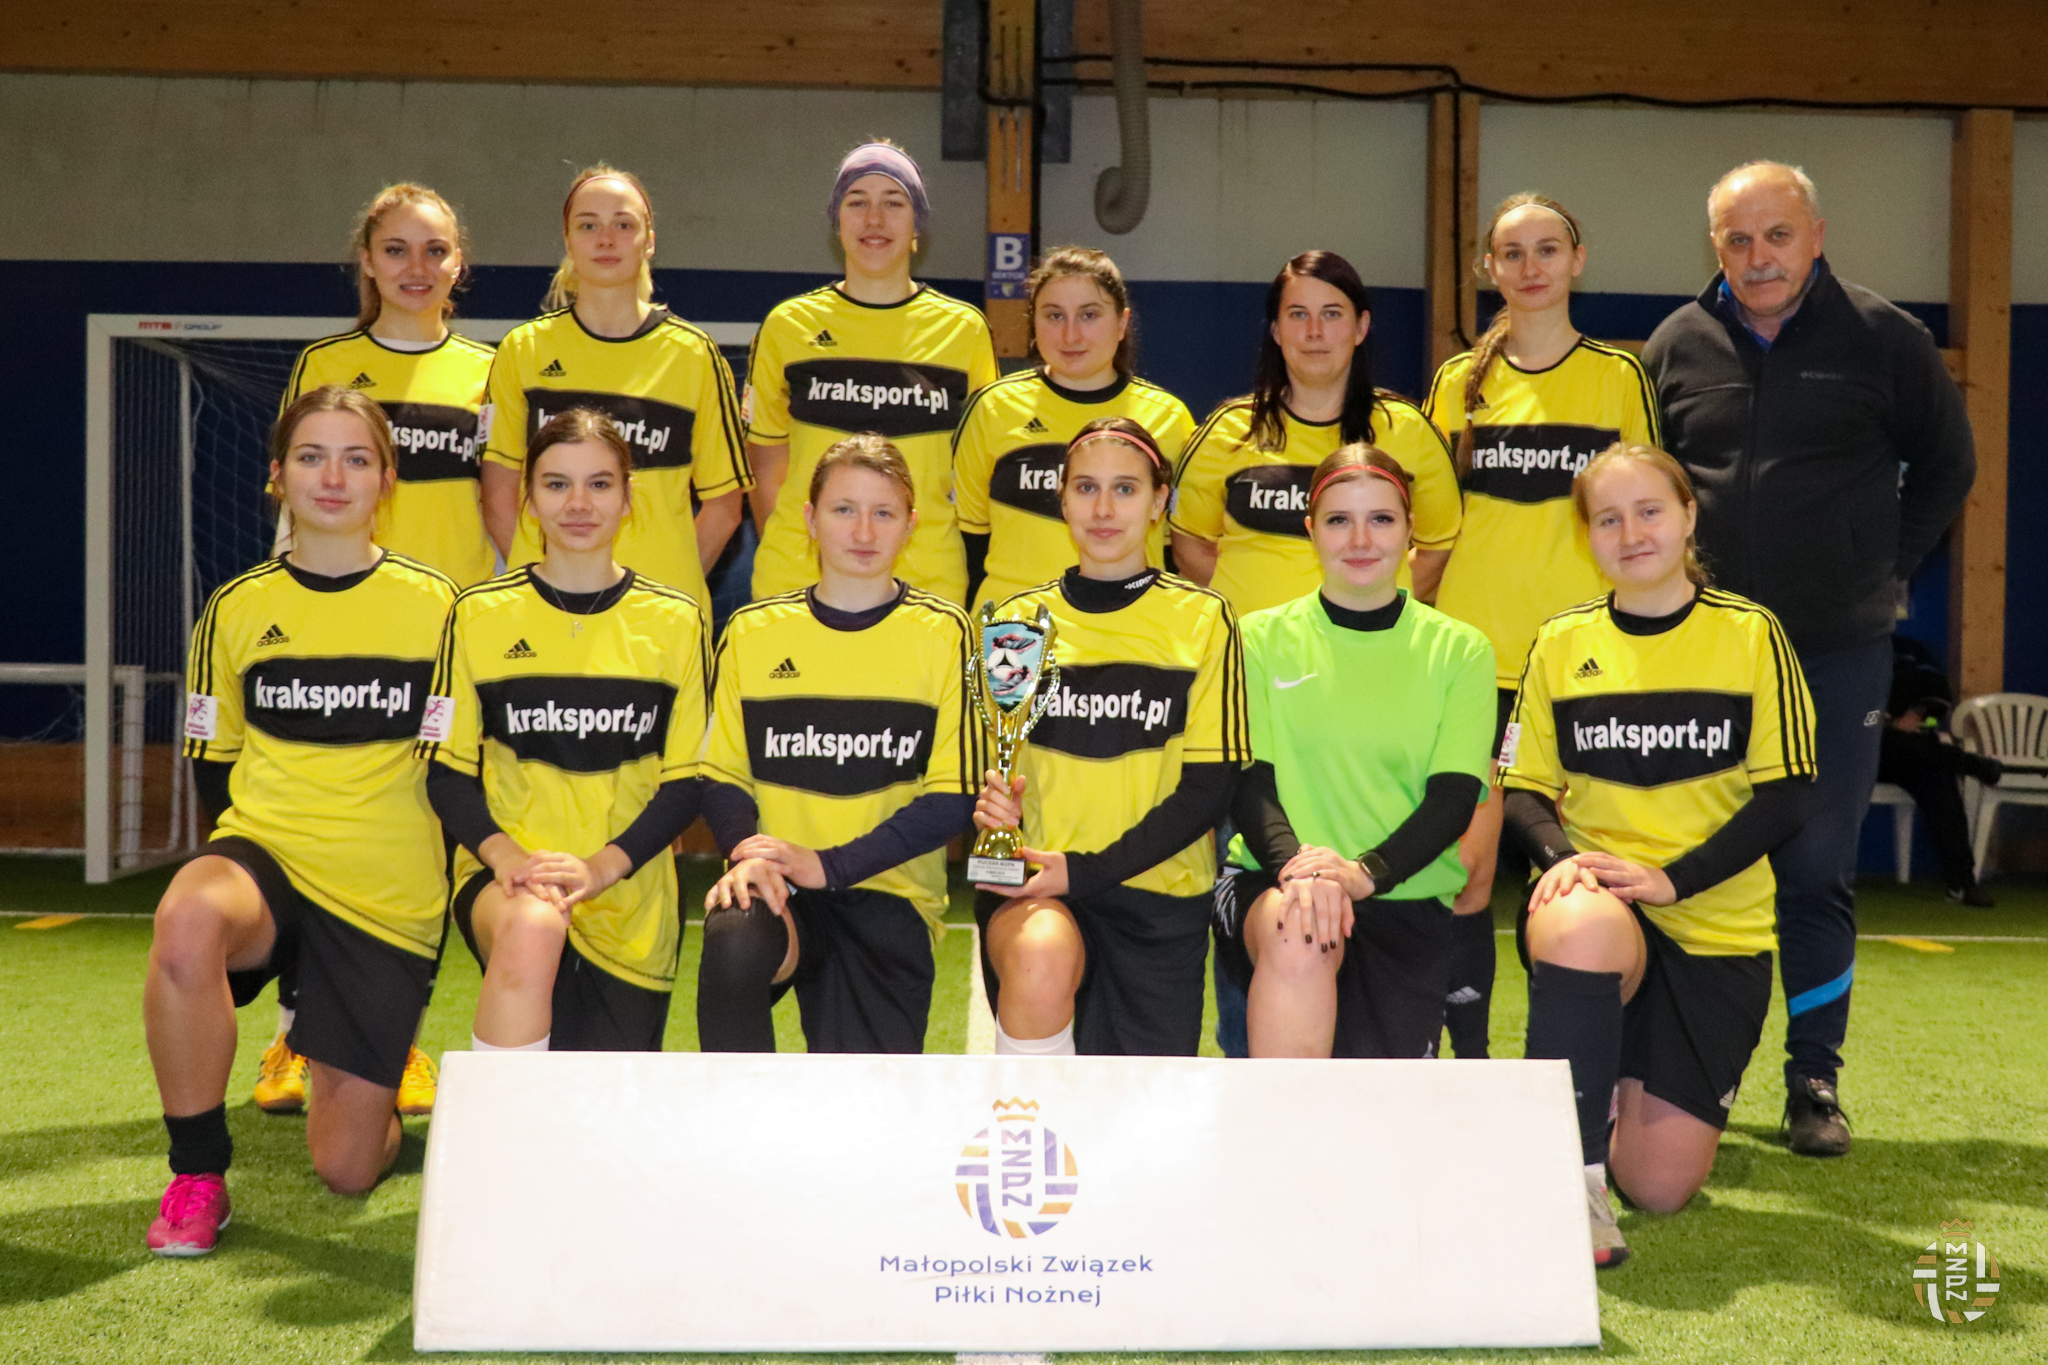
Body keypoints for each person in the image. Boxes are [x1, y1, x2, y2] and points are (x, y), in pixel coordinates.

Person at [1642, 161, 1975, 1155]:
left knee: (1816, 868)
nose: (1758, 258)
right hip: (1702, 656)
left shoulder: (1886, 338)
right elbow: (1646, 484)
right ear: (1715, 246)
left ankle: (1812, 1082)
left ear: (1815, 235)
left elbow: (1949, 465)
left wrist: (1881, 567)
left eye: (1776, 236)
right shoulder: (1673, 345)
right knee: (1685, 863)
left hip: (1834, 653)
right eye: (1737, 240)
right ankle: (1673, 1074)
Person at [146, 387, 456, 1255]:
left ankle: (359, 1061)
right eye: (313, 456)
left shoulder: (440, 607)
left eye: (357, 458)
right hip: (269, 859)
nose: (334, 476)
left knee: (347, 1166)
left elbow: (459, 765)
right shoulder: (235, 607)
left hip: (385, 895)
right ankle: (197, 1174)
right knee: (187, 918)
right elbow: (212, 761)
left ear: (387, 480)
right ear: (278, 475)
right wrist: (241, 869)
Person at [1501, 443, 1816, 1269]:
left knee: (1663, 1187)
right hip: (1604, 912)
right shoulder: (1561, 642)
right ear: (1586, 536)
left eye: (1649, 511)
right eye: (1608, 518)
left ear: (1687, 516)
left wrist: (1675, 879)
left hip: (1713, 927)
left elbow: (1788, 795)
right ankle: (1569, 1184)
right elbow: (1521, 789)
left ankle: (1603, 1088)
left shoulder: (1751, 635)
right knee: (1579, 923)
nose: (1631, 532)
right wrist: (1563, 859)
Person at [1170, 249, 1459, 1056]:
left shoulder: (1404, 430)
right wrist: (1264, 628)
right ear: (1274, 329)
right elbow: (1190, 542)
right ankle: (1251, 1060)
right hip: (1252, 700)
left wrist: (1359, 621)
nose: (1314, 331)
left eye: (1333, 313)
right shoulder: (1230, 430)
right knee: (1250, 881)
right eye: (1297, 314)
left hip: (1358, 701)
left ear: (1362, 326)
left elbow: (1436, 543)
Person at [256, 182, 494, 1120]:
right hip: (335, 633)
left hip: (442, 637)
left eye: (434, 250)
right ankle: (292, 1033)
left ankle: (396, 1040)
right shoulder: (327, 363)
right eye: (396, 249)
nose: (415, 267)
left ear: (459, 264)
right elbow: (294, 499)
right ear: (367, 260)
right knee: (313, 833)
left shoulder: (490, 371)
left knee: (424, 840)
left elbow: (503, 508)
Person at [1424, 194, 1660, 1061]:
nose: (1531, 267)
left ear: (1577, 259)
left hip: (1578, 668)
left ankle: (1570, 1064)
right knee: (1468, 872)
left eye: (1547, 249)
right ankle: (1472, 1068)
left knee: (1573, 875)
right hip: (1473, 665)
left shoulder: (1618, 376)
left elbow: (1646, 517)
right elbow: (1433, 524)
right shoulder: (1459, 383)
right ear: (1489, 268)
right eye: (1512, 252)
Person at [425, 409, 709, 1053]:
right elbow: (446, 774)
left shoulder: (676, 622)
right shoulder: (478, 615)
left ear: (628, 499)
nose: (578, 504)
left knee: (600, 1108)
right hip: (512, 881)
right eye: (556, 484)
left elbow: (687, 784)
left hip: (630, 893)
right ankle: (496, 1120)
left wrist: (602, 868)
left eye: (599, 484)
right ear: (527, 500)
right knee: (532, 928)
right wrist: (510, 860)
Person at [971, 417, 1249, 1057]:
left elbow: (1209, 790)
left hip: (1158, 895)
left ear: (1158, 503)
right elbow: (994, 772)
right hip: (1037, 888)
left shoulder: (1203, 620)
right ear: (1062, 500)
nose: (1103, 509)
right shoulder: (1016, 623)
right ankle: (1023, 1122)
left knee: (1142, 1109)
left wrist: (1085, 871)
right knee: (1040, 960)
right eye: (1086, 488)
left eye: (1125, 489)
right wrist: (989, 805)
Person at [695, 435, 982, 1053]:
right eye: (844, 509)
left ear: (911, 525)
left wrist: (827, 865)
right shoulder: (752, 632)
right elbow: (721, 776)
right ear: (809, 518)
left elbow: (953, 799)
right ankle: (738, 1114)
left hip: (888, 894)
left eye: (884, 513)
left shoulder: (944, 635)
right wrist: (747, 852)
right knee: (734, 940)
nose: (863, 531)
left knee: (863, 1101)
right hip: (781, 889)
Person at [1225, 447, 1494, 1058]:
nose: (1360, 540)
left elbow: (1453, 799)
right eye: (1339, 520)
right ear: (1310, 531)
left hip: (1404, 892)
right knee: (1301, 931)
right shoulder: (1256, 640)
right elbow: (1248, 783)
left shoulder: (1462, 651)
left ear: (1410, 530)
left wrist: (1364, 874)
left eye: (1381, 519)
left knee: (1382, 1109)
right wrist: (1306, 873)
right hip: (1276, 882)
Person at [479, 163, 751, 611]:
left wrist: (669, 595)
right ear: (568, 241)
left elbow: (724, 505)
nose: (606, 239)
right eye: (588, 226)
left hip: (656, 619)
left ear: (649, 240)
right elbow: (497, 494)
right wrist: (550, 583)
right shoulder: (523, 350)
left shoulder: (693, 355)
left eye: (624, 225)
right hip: (545, 610)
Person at [746, 140, 999, 605]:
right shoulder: (787, 326)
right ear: (837, 220)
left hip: (927, 586)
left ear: (917, 223)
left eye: (894, 203)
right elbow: (766, 462)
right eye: (857, 202)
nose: (875, 220)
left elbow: (978, 473)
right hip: (797, 582)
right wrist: (798, 550)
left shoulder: (964, 331)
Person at [952, 246, 1194, 609]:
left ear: (1122, 323)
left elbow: (1177, 552)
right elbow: (969, 542)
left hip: (1128, 628)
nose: (1070, 335)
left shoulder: (1169, 419)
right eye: (1054, 316)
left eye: (1089, 315)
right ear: (1034, 323)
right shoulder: (993, 409)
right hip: (1015, 630)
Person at [1879, 634, 2002, 905]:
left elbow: (1938, 697)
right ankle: (1970, 763)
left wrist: (1918, 713)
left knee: (1939, 780)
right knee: (1901, 744)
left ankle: (1962, 883)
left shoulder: (1911, 649)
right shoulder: (1846, 648)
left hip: (1914, 750)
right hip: (1861, 752)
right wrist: (1879, 720)